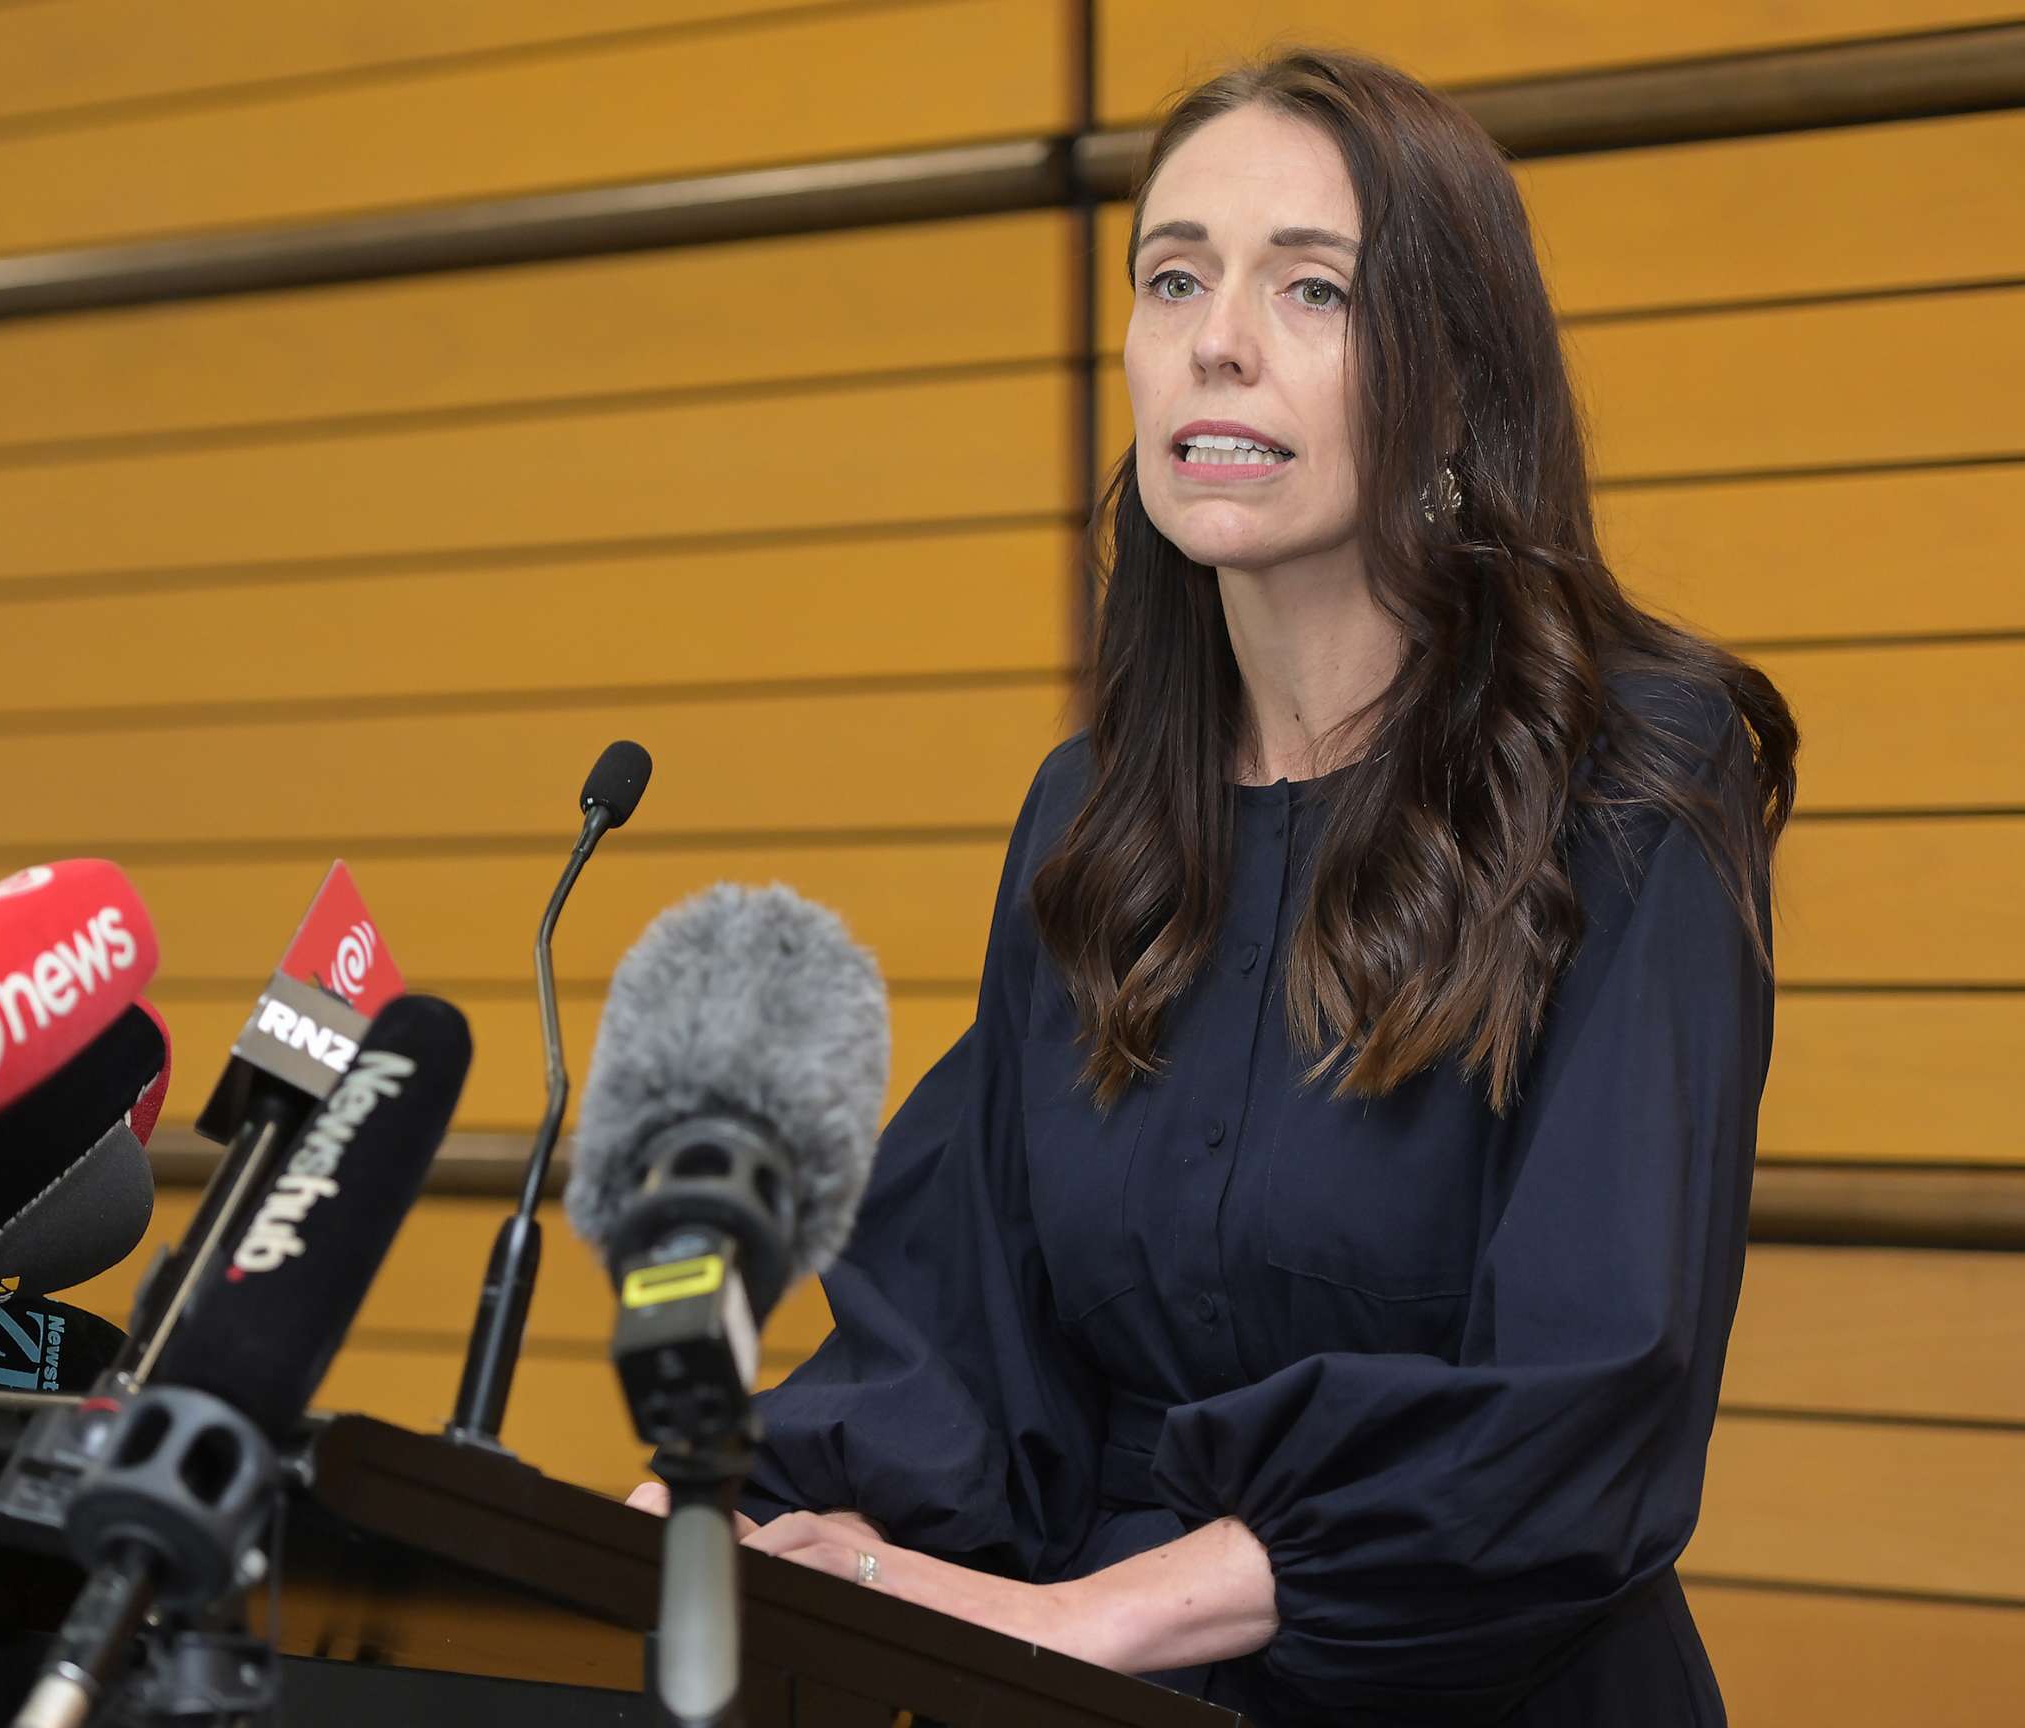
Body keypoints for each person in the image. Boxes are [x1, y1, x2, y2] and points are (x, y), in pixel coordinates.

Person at [628, 47, 1798, 1726]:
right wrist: (702, 1528)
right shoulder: (1090, 816)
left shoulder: (1637, 784)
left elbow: (1581, 1404)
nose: (1214, 340)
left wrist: (1091, 1619)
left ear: (1456, 379)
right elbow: (960, 1336)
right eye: (1172, 277)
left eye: (1311, 290)